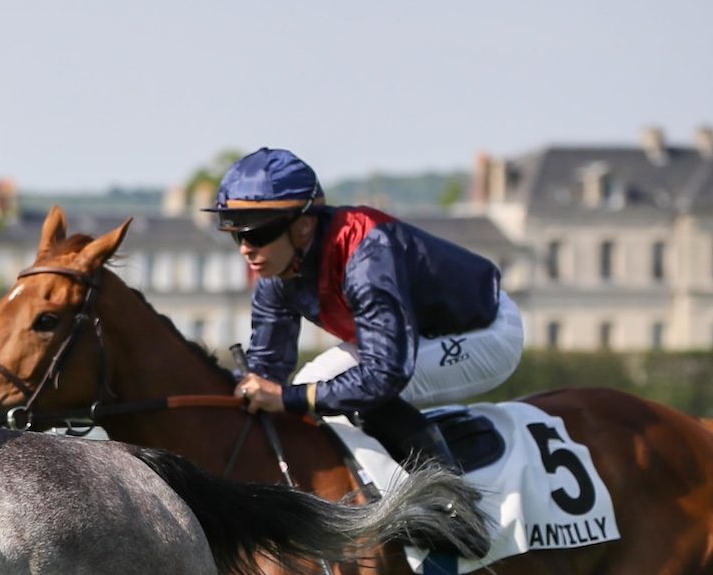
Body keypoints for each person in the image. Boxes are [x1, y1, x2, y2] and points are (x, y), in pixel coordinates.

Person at [206, 147, 525, 473]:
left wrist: (287, 398)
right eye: (237, 236)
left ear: (302, 226)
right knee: (312, 382)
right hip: (411, 339)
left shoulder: (367, 254)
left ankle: (447, 503)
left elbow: (385, 374)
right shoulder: (275, 274)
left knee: (348, 394)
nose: (247, 249)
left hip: (484, 332)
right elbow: (266, 372)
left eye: (257, 233)